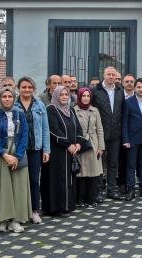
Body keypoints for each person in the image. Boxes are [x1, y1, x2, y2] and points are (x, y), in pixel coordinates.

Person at [0, 87, 31, 233]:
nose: (7, 99)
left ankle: (15, 220)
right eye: (4, 96)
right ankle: (2, 219)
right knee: (1, 187)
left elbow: (25, 135)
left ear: (14, 98)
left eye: (10, 96)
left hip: (17, 152)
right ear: (0, 98)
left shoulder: (20, 114)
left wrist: (17, 156)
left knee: (18, 186)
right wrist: (4, 154)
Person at [14, 77, 50, 224]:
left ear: (33, 89)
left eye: (29, 87)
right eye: (24, 87)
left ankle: (34, 210)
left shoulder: (40, 105)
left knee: (34, 180)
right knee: (19, 181)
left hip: (35, 148)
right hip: (18, 150)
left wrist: (46, 149)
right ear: (18, 88)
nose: (27, 90)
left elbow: (45, 128)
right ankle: (20, 211)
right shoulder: (13, 104)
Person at [42, 86, 82, 217]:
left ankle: (68, 205)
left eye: (66, 94)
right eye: (61, 94)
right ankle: (56, 208)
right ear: (56, 96)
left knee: (68, 178)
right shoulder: (51, 109)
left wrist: (78, 143)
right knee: (57, 179)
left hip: (71, 151)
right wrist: (68, 144)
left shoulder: (71, 110)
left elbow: (78, 128)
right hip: (57, 152)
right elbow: (54, 130)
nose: (64, 97)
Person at [91, 67, 124, 200]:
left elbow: (122, 111)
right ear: (103, 75)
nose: (111, 77)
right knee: (99, 163)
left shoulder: (120, 91)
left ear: (116, 77)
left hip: (115, 133)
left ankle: (111, 190)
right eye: (108, 74)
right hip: (100, 133)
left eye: (113, 75)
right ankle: (98, 191)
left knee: (113, 163)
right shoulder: (95, 91)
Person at [74, 87, 104, 207]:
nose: (86, 98)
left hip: (93, 144)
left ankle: (91, 199)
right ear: (79, 97)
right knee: (81, 174)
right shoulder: (74, 110)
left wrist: (101, 147)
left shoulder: (95, 110)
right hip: (80, 144)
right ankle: (80, 199)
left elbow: (100, 129)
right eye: (83, 96)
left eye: (88, 96)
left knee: (94, 173)